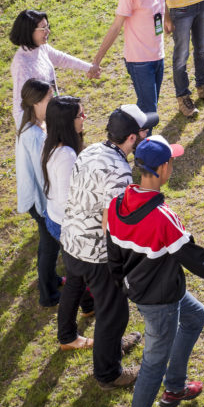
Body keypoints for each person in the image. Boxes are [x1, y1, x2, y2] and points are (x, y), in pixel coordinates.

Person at [107, 135, 204, 407]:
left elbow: (112, 251)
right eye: (172, 160)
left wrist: (122, 283)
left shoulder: (117, 204)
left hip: (147, 287)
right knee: (154, 361)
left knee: (196, 315)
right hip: (160, 299)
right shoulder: (161, 217)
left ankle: (176, 387)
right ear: (163, 168)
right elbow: (192, 256)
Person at [61, 104, 158, 388]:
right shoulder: (119, 172)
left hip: (71, 241)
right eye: (144, 132)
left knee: (108, 313)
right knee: (113, 313)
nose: (147, 135)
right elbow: (111, 223)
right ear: (132, 139)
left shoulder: (91, 149)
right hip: (96, 254)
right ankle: (108, 373)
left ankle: (111, 345)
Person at [41, 94, 95, 350]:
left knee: (78, 273)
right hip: (67, 225)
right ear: (66, 121)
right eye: (79, 115)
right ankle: (67, 337)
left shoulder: (56, 146)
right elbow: (68, 202)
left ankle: (89, 306)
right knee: (75, 278)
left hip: (56, 220)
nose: (84, 118)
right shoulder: (66, 157)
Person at [92, 0, 170, 114]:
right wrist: (97, 61)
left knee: (151, 105)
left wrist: (168, 21)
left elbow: (164, 2)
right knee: (149, 109)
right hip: (140, 61)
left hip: (159, 55)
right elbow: (115, 27)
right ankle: (141, 140)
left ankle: (140, 139)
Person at [14, 79, 61, 307]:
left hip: (38, 199)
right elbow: (41, 175)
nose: (52, 102)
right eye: (49, 99)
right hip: (39, 200)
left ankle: (51, 280)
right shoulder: (33, 135)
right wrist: (48, 207)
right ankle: (48, 295)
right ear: (35, 103)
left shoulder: (35, 127)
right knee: (50, 247)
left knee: (47, 244)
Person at [9, 9, 98, 129]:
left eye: (48, 27)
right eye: (43, 29)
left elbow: (62, 58)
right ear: (29, 31)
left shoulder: (41, 48)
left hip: (54, 114)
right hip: (41, 124)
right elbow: (19, 103)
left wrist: (89, 68)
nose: (48, 31)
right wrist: (29, 131)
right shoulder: (22, 64)